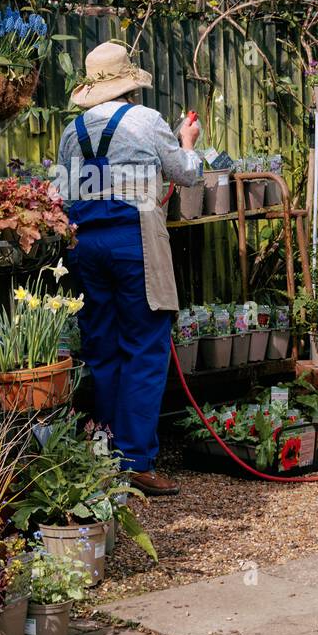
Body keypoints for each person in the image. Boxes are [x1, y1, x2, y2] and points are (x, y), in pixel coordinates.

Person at [56, 41, 202, 496]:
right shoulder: (145, 121)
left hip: (86, 247)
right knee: (144, 348)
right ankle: (136, 461)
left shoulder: (70, 133)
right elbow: (188, 174)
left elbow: (64, 195)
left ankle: (105, 457)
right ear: (128, 84)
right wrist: (188, 143)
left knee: (102, 349)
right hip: (134, 244)